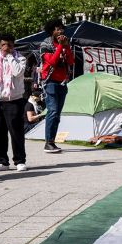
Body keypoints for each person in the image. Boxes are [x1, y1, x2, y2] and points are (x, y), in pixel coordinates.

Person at [0, 34, 29, 172]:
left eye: (9, 45)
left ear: (13, 45)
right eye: (3, 44)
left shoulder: (20, 58)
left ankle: (20, 161)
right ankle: (1, 161)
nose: (6, 47)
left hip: (14, 100)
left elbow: (18, 72)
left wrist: (10, 56)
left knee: (16, 132)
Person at [39, 19, 74, 154]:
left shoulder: (65, 43)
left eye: (61, 29)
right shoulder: (45, 44)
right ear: (52, 31)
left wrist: (66, 47)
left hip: (62, 82)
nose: (61, 31)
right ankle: (48, 143)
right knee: (52, 111)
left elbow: (70, 61)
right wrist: (60, 46)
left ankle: (52, 141)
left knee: (57, 114)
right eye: (57, 29)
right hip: (50, 82)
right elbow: (52, 61)